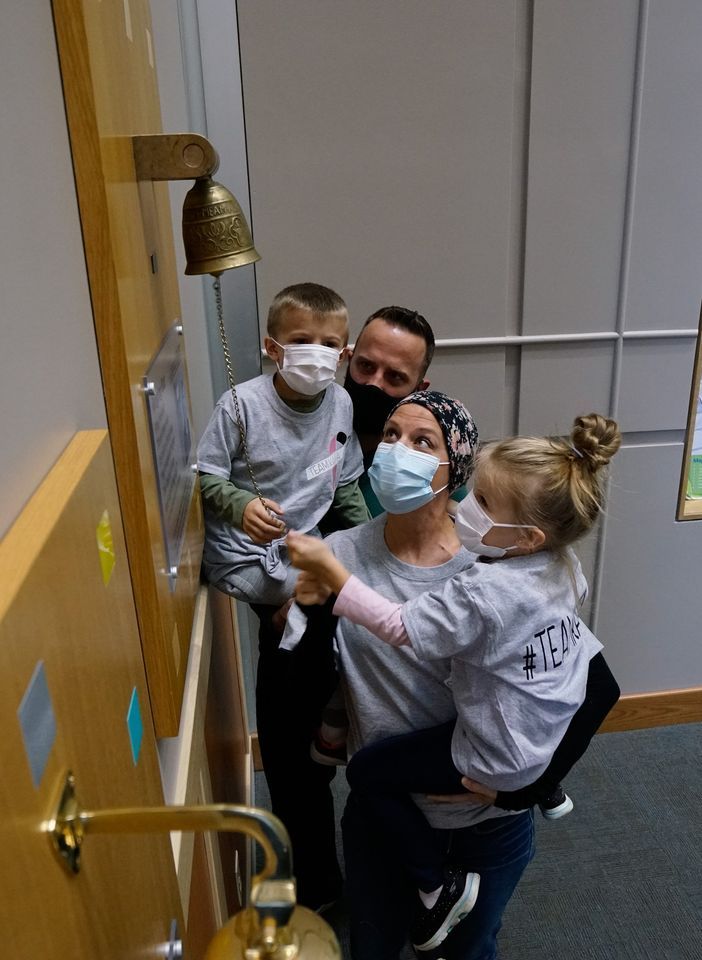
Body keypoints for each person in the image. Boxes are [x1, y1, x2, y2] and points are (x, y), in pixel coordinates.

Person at [285, 395, 621, 958]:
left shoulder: (496, 566)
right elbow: (306, 681)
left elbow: (595, 685)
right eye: (390, 433)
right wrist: (309, 610)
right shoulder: (340, 552)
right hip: (383, 822)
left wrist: (532, 784)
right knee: (374, 945)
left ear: (457, 466)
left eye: (423, 441)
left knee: (469, 949)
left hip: (485, 820)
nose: (397, 450)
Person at [196, 282, 370, 908]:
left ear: (344, 351)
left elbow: (344, 485)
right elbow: (207, 475)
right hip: (250, 552)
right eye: (302, 342)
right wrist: (241, 506)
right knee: (296, 593)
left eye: (329, 344)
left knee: (345, 589)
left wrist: (362, 548)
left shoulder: (343, 405)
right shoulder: (241, 407)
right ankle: (299, 645)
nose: (317, 354)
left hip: (308, 540)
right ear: (273, 347)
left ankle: (331, 705)